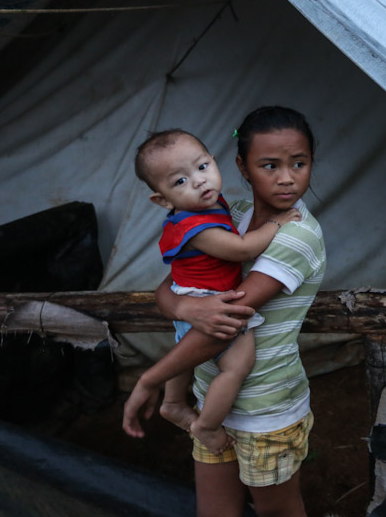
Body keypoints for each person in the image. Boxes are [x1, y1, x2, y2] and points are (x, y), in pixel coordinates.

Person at [123, 107, 325, 517]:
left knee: (279, 512)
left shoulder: (297, 232)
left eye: (298, 164)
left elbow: (224, 323)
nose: (286, 177)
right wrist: (185, 305)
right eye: (269, 165)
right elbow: (169, 288)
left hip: (265, 410)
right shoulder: (228, 216)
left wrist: (150, 379)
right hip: (209, 402)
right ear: (242, 167)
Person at [131, 129, 301, 454]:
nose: (198, 182)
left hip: (188, 293)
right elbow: (241, 249)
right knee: (238, 365)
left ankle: (173, 402)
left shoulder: (205, 207)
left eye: (202, 167)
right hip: (205, 300)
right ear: (163, 200)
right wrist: (276, 224)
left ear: (213, 161)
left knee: (184, 351)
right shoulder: (198, 227)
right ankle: (206, 425)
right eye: (179, 181)